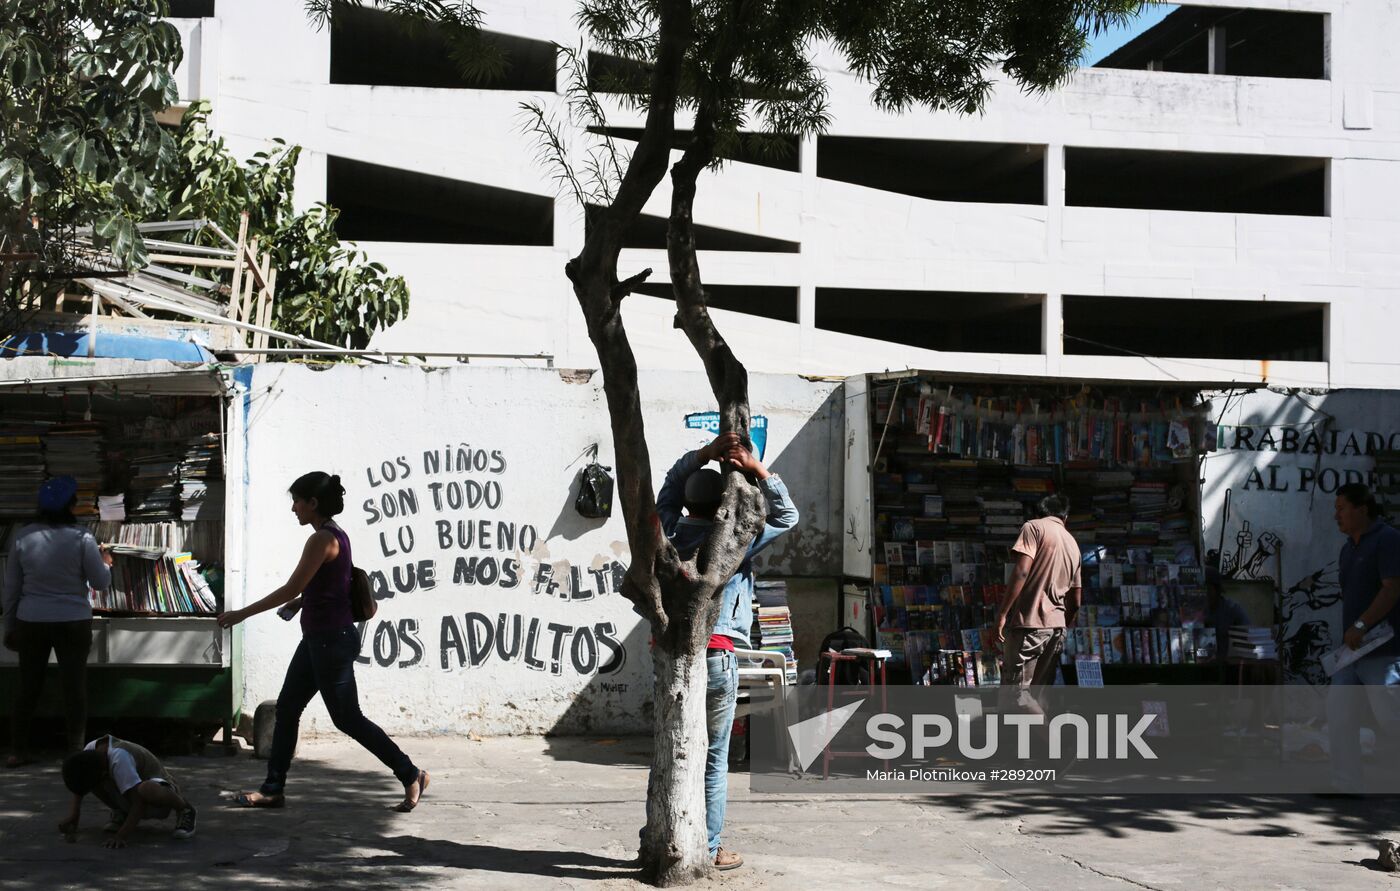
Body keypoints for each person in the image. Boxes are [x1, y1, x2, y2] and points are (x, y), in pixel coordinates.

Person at [217, 472, 427, 811]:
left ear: (313, 503)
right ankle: (273, 788)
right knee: (287, 709)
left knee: (347, 718)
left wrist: (242, 613)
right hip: (319, 639)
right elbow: (330, 584)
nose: (294, 509)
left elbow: (291, 586)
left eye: (297, 502)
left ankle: (410, 772)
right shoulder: (336, 536)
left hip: (331, 641)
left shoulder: (322, 539)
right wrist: (302, 603)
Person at [655, 431, 799, 872]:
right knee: (715, 757)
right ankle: (712, 845)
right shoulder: (736, 542)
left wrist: (703, 455)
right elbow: (788, 516)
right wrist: (756, 469)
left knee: (673, 750)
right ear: (724, 504)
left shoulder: (664, 537)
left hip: (673, 655)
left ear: (687, 504)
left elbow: (666, 491)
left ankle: (667, 837)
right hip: (718, 656)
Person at [2, 476, 113, 767]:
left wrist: (9, 626)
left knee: (28, 686)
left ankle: (17, 749)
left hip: (31, 620)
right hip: (73, 621)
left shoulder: (23, 537)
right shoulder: (82, 538)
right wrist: (106, 563)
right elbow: (100, 583)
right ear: (72, 506)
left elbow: (11, 588)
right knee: (74, 686)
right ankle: (75, 749)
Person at [1325, 482, 1400, 793]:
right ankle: (1347, 784)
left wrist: (1361, 624)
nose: (1336, 516)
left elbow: (1392, 588)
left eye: (1341, 508)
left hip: (1383, 650)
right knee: (1339, 714)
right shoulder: (1348, 548)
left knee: (1391, 718)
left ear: (1362, 509)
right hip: (1352, 652)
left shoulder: (1388, 540)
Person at [988, 494, 1081, 712]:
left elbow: (1021, 571)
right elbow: (1075, 601)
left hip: (1030, 625)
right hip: (1056, 629)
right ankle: (1024, 745)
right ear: (1065, 517)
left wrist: (1002, 614)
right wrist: (1061, 622)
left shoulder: (1034, 528)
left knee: (1018, 696)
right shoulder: (1073, 543)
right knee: (1036, 696)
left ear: (1038, 512)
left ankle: (1055, 744)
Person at [59, 734, 196, 847]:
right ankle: (122, 813)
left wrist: (121, 836)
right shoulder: (91, 751)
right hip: (131, 793)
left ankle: (185, 809)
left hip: (159, 793)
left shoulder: (120, 759)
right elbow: (82, 785)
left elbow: (139, 803)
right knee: (92, 781)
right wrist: (74, 816)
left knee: (145, 789)